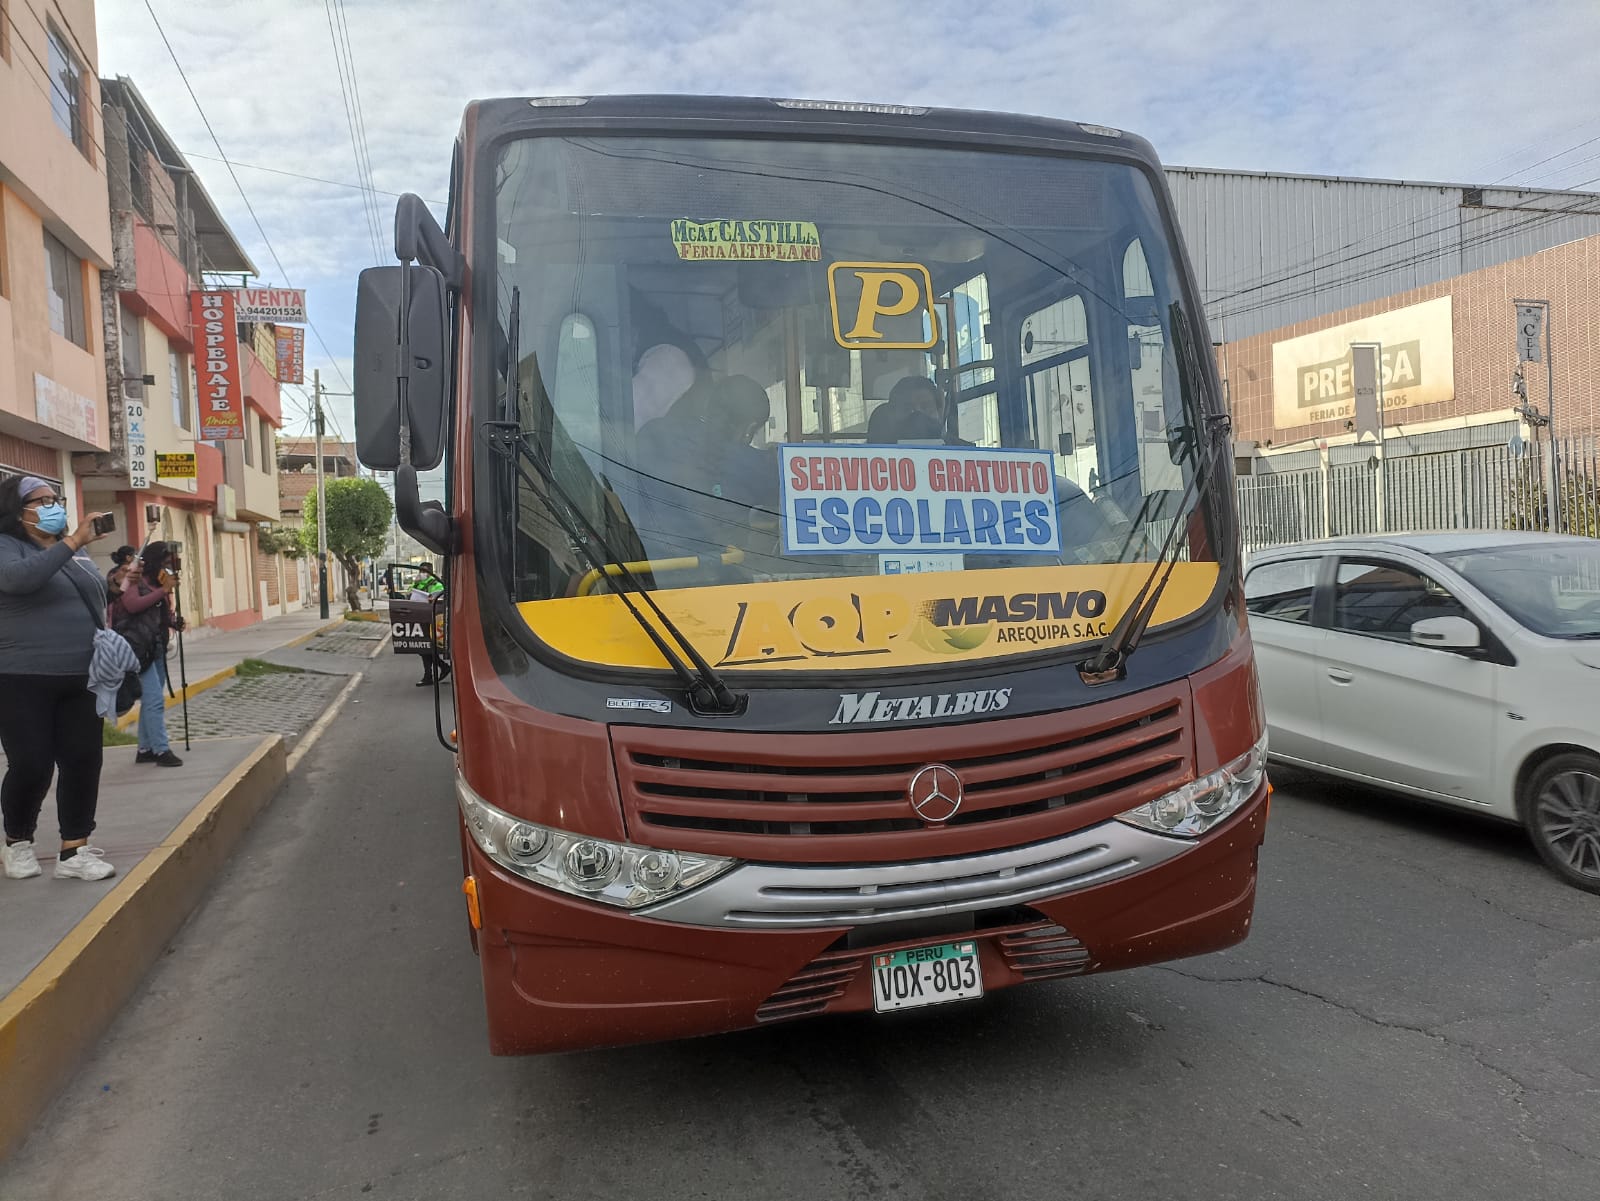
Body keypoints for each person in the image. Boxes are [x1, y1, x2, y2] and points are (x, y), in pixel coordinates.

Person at [0, 475, 117, 882]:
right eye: (41, 500)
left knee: (83, 760)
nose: (52, 506)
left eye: (55, 498)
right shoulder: (7, 547)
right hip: (21, 677)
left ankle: (74, 851)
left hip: (82, 674)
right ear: (18, 512)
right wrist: (73, 543)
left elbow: (94, 593)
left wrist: (118, 585)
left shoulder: (72, 551)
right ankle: (17, 841)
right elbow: (19, 580)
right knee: (31, 763)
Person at [111, 542, 185, 766]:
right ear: (154, 562)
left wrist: (174, 621)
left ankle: (145, 748)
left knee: (151, 701)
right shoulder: (135, 579)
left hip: (155, 646)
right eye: (164, 563)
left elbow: (158, 615)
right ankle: (161, 750)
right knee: (153, 700)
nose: (168, 568)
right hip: (136, 648)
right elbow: (132, 605)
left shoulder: (155, 583)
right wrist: (162, 591)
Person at [410, 565, 449, 686]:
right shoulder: (417, 583)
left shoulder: (436, 584)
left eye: (424, 571)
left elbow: (441, 598)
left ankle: (431, 674)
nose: (422, 573)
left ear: (430, 572)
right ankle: (438, 669)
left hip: (432, 619)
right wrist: (415, 584)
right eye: (420, 571)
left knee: (427, 648)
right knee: (423, 648)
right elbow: (410, 595)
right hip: (419, 618)